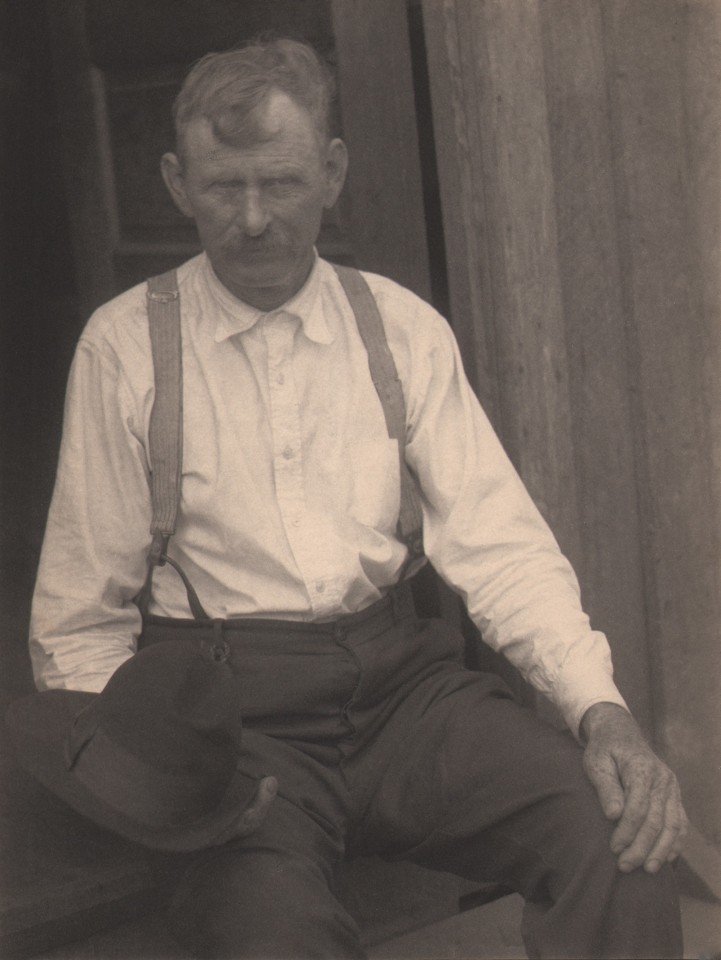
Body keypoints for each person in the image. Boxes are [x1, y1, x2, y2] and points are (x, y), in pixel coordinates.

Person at [28, 37, 687, 959]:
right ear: (177, 183)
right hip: (233, 718)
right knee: (271, 935)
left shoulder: (400, 328)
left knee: (619, 846)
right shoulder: (126, 348)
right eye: (224, 188)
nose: (253, 219)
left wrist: (599, 710)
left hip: (406, 699)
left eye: (282, 183)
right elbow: (74, 623)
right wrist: (160, 780)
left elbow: (499, 548)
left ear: (332, 171)